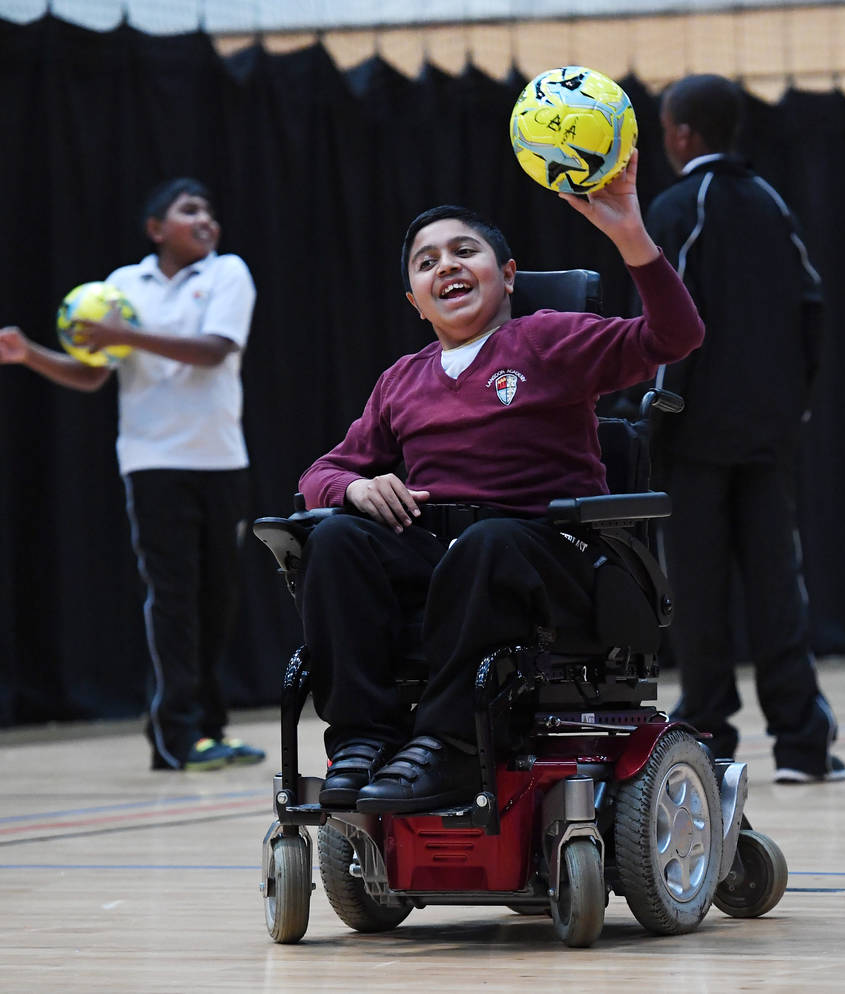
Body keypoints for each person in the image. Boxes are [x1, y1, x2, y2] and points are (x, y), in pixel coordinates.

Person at [295, 152, 705, 814]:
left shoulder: (549, 340)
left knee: (487, 542)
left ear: (508, 275)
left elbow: (676, 335)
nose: (446, 265)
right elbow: (322, 472)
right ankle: (362, 742)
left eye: (465, 251)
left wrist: (630, 232)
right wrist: (353, 489)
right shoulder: (403, 378)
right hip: (449, 558)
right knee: (337, 539)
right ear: (414, 301)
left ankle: (449, 747)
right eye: (426, 262)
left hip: (550, 555)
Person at [0, 178, 265, 773]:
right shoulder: (118, 288)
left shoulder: (228, 273)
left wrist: (123, 336)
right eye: (189, 211)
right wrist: (28, 352)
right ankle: (175, 736)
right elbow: (90, 375)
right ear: (156, 229)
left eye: (210, 210)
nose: (205, 219)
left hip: (221, 460)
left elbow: (214, 348)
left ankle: (209, 729)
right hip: (153, 461)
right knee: (173, 600)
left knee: (218, 601)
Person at [644, 73, 845, 785]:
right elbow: (812, 305)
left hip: (694, 439)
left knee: (698, 594)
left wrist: (653, 423)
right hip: (768, 437)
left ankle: (707, 737)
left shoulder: (677, 208)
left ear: (682, 135)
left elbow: (669, 328)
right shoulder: (772, 203)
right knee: (777, 587)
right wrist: (796, 402)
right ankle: (802, 745)